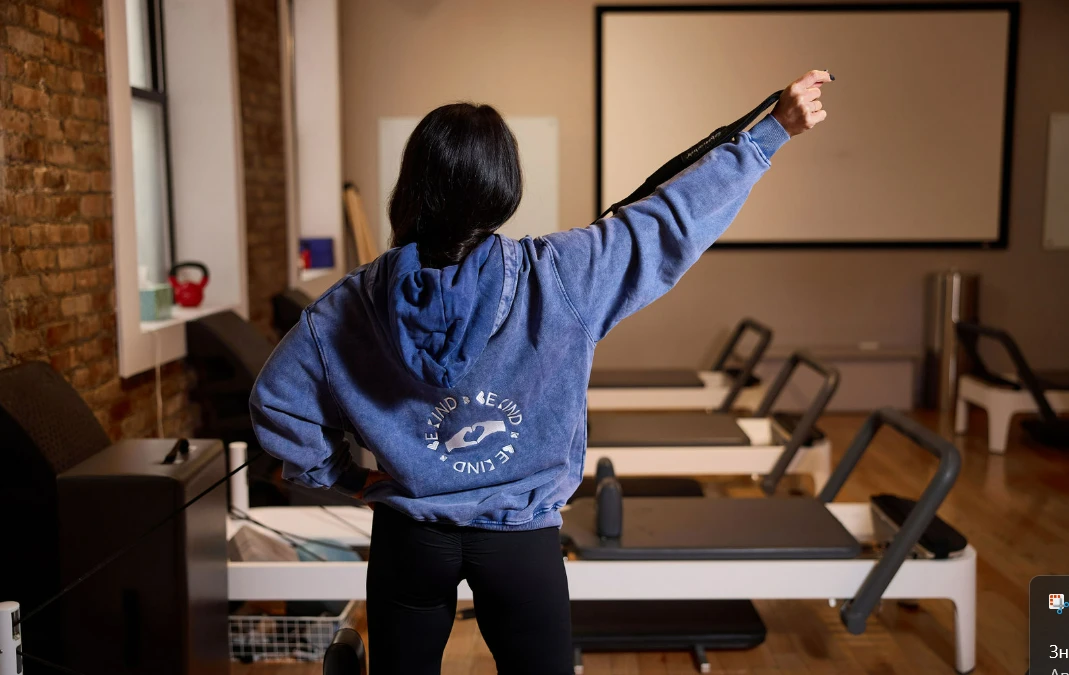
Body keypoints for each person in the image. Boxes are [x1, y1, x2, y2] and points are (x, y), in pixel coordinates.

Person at [250, 69, 832, 674]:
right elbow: (668, 224)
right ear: (503, 190)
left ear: (411, 187)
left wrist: (346, 477)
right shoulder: (561, 273)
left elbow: (277, 401)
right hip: (521, 541)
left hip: (410, 538)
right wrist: (771, 133)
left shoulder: (350, 304)